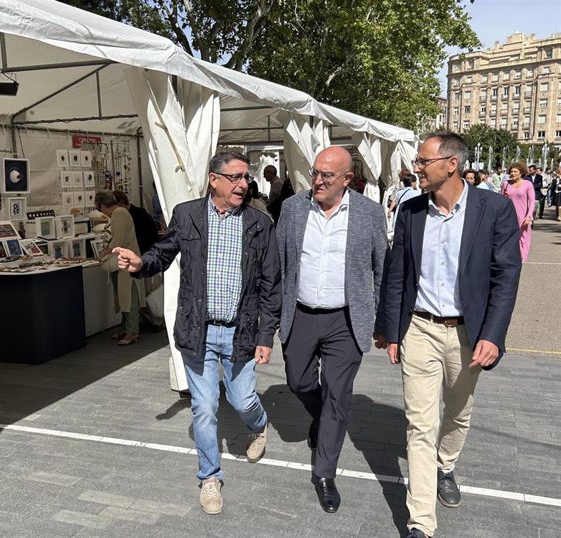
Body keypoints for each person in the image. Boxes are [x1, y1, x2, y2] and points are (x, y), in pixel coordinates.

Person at [112, 152, 281, 515]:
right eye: (234, 177)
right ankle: (209, 477)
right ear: (213, 179)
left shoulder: (258, 223)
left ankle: (259, 424)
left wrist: (266, 336)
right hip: (197, 331)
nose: (243, 184)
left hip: (241, 332)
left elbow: (271, 283)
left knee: (242, 400)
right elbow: (163, 252)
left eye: (246, 178)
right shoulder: (187, 214)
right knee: (204, 408)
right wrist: (141, 263)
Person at [376, 132, 522, 538]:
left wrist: (492, 334)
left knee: (457, 411)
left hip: (468, 333)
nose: (416, 168)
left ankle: (446, 465)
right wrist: (391, 331)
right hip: (419, 328)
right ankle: (421, 523)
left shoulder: (493, 209)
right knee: (419, 425)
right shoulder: (411, 211)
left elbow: (506, 276)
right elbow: (397, 274)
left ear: (451, 164)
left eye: (423, 162)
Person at [277, 147, 388, 514]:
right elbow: (280, 264)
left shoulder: (369, 214)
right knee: (297, 380)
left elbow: (380, 270)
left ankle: (324, 474)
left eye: (327, 175)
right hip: (302, 314)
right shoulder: (293, 209)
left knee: (339, 396)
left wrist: (378, 320)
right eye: (315, 173)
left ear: (347, 179)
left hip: (345, 320)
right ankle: (322, 418)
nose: (318, 181)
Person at [94, 190, 145, 345]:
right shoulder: (120, 213)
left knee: (129, 298)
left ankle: (132, 332)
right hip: (123, 261)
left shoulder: (119, 214)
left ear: (102, 206)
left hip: (127, 262)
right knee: (123, 297)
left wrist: (103, 254)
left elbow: (118, 240)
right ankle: (127, 329)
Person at [501, 163, 535, 262]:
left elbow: (532, 201)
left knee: (523, 237)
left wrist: (529, 216)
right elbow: (500, 199)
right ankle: (510, 256)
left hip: (523, 215)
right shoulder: (506, 184)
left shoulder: (528, 184)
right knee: (509, 236)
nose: (513, 173)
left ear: (521, 173)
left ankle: (522, 258)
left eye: (515, 171)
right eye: (511, 171)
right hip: (508, 215)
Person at [113, 190, 159, 254]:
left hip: (147, 252)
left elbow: (141, 239)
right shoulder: (131, 213)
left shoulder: (139, 214)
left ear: (121, 203)